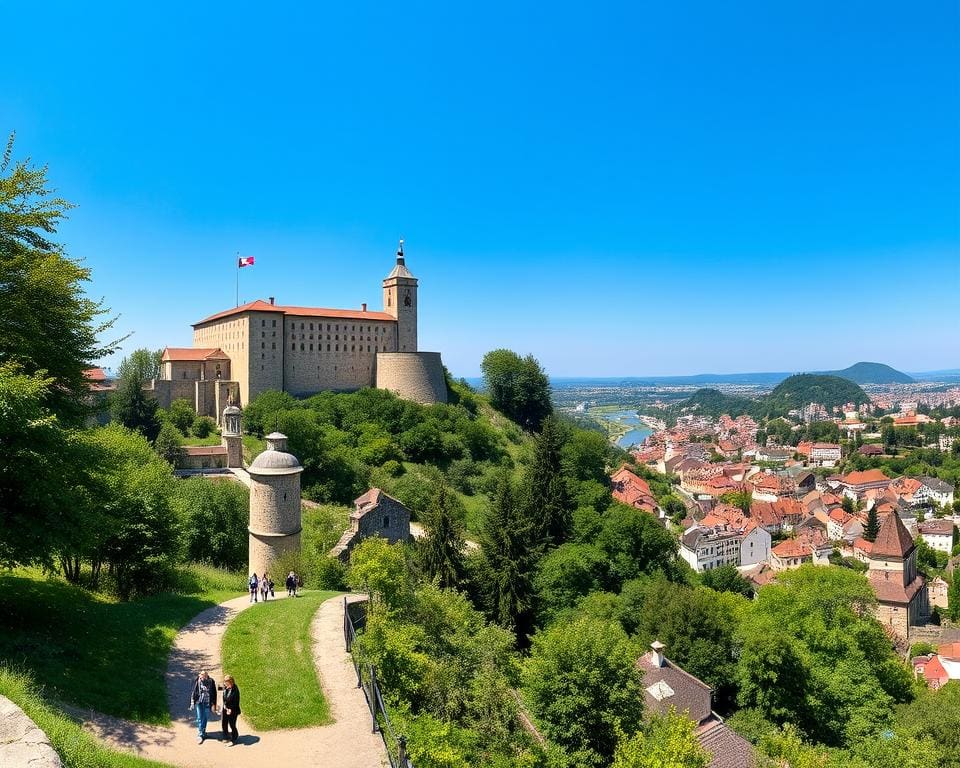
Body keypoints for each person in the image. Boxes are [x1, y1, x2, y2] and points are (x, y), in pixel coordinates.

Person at [189, 670, 217, 744]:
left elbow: (214, 693)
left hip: (207, 702)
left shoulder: (211, 681)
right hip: (199, 702)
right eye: (201, 674)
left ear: (207, 675)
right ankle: (201, 733)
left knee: (205, 718)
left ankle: (203, 732)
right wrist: (192, 702)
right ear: (199, 675)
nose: (203, 676)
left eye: (204, 675)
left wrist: (214, 704)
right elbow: (193, 691)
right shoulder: (196, 680)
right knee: (199, 717)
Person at [220, 674, 241, 745]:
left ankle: (234, 738)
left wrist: (230, 709)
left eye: (227, 682)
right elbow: (219, 689)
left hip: (233, 710)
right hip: (225, 708)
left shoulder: (235, 689)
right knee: (224, 723)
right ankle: (226, 736)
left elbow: (236, 701)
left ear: (231, 681)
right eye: (225, 682)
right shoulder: (225, 687)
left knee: (232, 724)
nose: (225, 683)